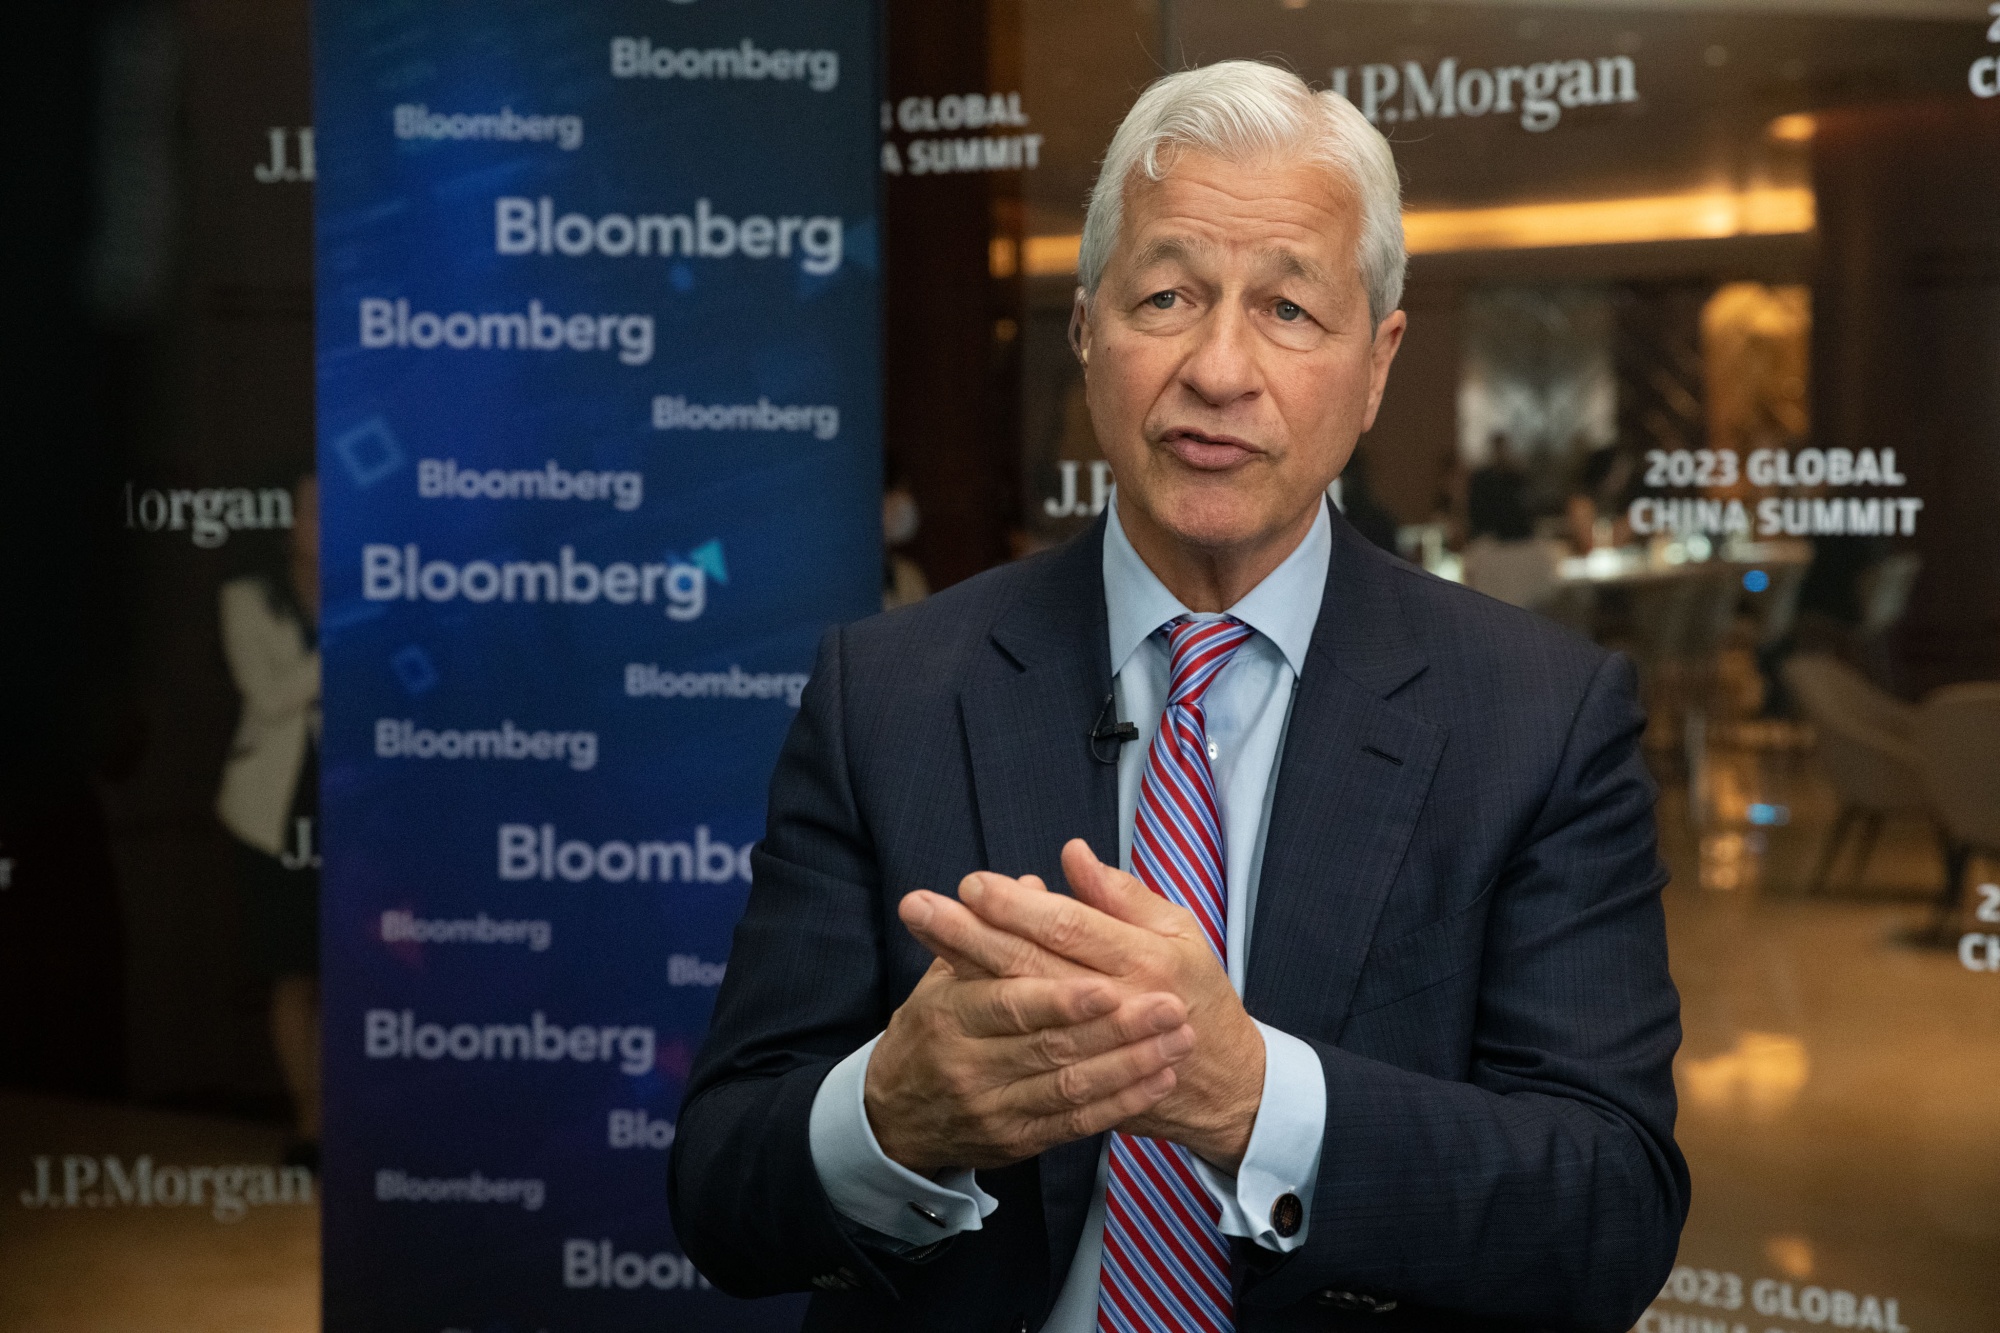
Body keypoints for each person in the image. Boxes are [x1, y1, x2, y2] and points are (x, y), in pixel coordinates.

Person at [670, 62, 1686, 1332]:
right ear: (1086, 328)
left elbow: (1607, 1212)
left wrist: (1250, 1095)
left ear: (1375, 364)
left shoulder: (1540, 717)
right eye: (1166, 296)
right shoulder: (885, 693)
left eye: (1287, 309)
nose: (1217, 368)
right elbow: (721, 1190)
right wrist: (890, 1113)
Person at [216, 474, 322, 1168]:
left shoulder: (375, 586)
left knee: (349, 970)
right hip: (277, 808)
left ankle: (352, 1120)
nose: (327, 520)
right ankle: (310, 1124)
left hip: (357, 803)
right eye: (314, 509)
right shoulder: (246, 598)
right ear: (287, 524)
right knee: (294, 969)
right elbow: (271, 695)